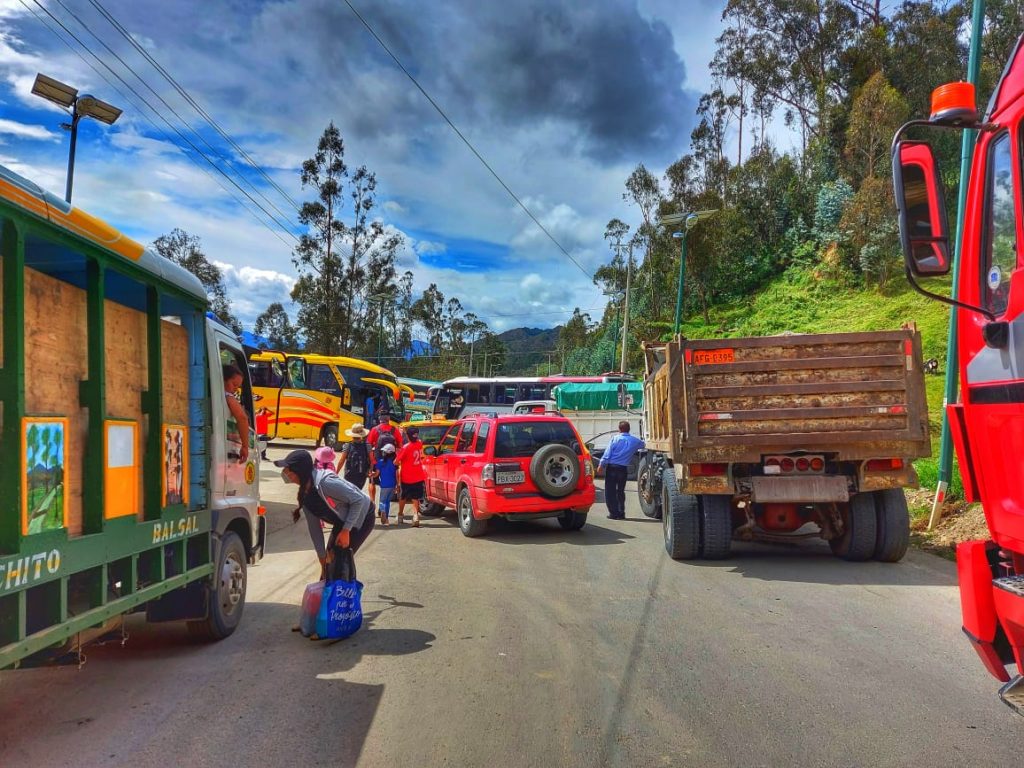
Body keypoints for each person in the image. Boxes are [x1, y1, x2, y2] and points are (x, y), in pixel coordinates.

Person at [276, 450, 374, 581]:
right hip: (343, 521)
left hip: (362, 516)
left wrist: (346, 530)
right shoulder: (305, 495)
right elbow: (314, 528)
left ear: (300, 471)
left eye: (288, 469)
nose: (285, 473)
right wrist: (322, 559)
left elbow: (358, 500)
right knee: (329, 562)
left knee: (338, 563)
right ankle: (326, 596)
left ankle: (342, 598)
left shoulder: (326, 483)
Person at [598, 421, 645, 520]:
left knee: (610, 492)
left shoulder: (615, 439)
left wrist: (601, 465)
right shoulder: (635, 441)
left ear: (619, 429)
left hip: (612, 468)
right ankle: (621, 512)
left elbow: (607, 454)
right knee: (620, 491)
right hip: (623, 469)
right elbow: (644, 445)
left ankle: (614, 513)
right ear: (629, 429)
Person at [367, 410, 403, 506]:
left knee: (372, 482)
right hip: (391, 460)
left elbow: (368, 445)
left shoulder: (374, 429)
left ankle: (372, 503)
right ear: (389, 419)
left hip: (376, 459)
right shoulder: (394, 430)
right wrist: (397, 460)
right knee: (387, 483)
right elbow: (400, 445)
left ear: (379, 419)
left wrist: (372, 459)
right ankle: (383, 505)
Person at [395, 426, 426, 527]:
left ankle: (400, 515)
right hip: (418, 475)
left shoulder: (406, 447)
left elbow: (396, 461)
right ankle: (416, 516)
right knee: (415, 497)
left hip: (406, 476)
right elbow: (417, 440)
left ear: (407, 436)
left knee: (403, 496)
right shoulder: (419, 443)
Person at [223, 364, 250, 463]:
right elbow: (242, 418)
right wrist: (245, 446)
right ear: (223, 380)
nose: (235, 389)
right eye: (234, 384)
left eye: (238, 386)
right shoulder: (228, 396)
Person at [336, 424, 371, 490]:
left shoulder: (347, 445)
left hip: (349, 474)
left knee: (349, 492)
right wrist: (370, 470)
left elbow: (342, 460)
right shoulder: (367, 445)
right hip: (362, 474)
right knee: (358, 491)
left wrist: (336, 472)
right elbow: (372, 460)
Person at [373, 443, 398, 525]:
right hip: (393, 485)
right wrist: (398, 485)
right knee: (387, 502)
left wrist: (370, 475)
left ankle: (382, 511)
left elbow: (376, 474)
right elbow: (397, 475)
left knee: (382, 501)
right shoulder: (395, 463)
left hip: (384, 485)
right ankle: (386, 518)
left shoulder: (380, 462)